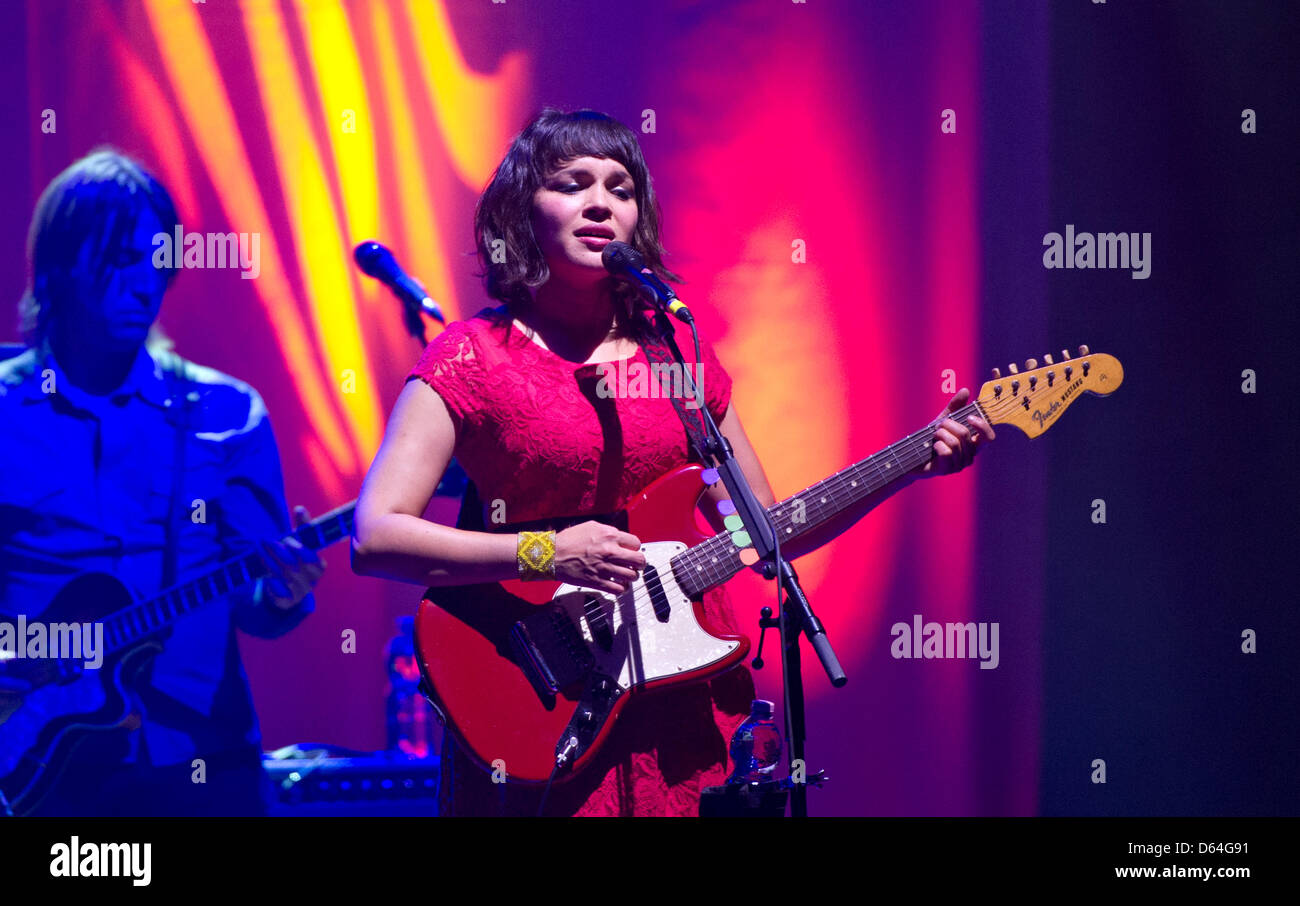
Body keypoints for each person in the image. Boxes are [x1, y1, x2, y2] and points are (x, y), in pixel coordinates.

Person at [351, 108, 992, 816]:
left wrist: (913, 462)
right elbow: (376, 533)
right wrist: (547, 552)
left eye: (621, 188)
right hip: (540, 699)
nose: (601, 203)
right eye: (572, 183)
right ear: (521, 211)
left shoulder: (676, 352)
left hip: (679, 705)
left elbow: (763, 531)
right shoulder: (473, 355)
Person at [0, 149, 323, 816]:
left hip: (198, 758)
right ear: (59, 267)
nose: (145, 283)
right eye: (121, 259)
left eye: (158, 259)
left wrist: (283, 592)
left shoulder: (227, 413)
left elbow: (256, 604)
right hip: (41, 766)